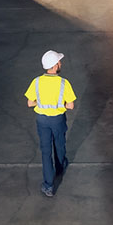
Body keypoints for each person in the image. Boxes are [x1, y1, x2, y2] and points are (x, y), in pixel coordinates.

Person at [24, 50, 77, 197]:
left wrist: (41, 103)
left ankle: (48, 185)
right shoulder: (63, 83)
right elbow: (71, 105)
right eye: (59, 62)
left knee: (46, 152)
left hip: (42, 120)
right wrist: (59, 105)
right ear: (54, 66)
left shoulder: (37, 82)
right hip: (58, 120)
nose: (61, 63)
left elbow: (30, 103)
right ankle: (60, 168)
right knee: (59, 145)